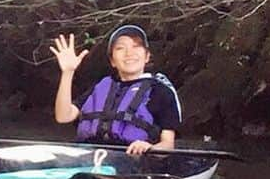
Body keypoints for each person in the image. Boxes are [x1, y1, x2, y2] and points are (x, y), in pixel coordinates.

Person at [50, 24, 181, 157]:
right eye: (120, 48)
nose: (129, 53)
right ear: (112, 61)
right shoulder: (102, 85)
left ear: (147, 56)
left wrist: (150, 147)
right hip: (89, 156)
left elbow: (168, 145)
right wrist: (67, 73)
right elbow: (63, 116)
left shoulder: (161, 92)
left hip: (134, 160)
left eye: (136, 46)